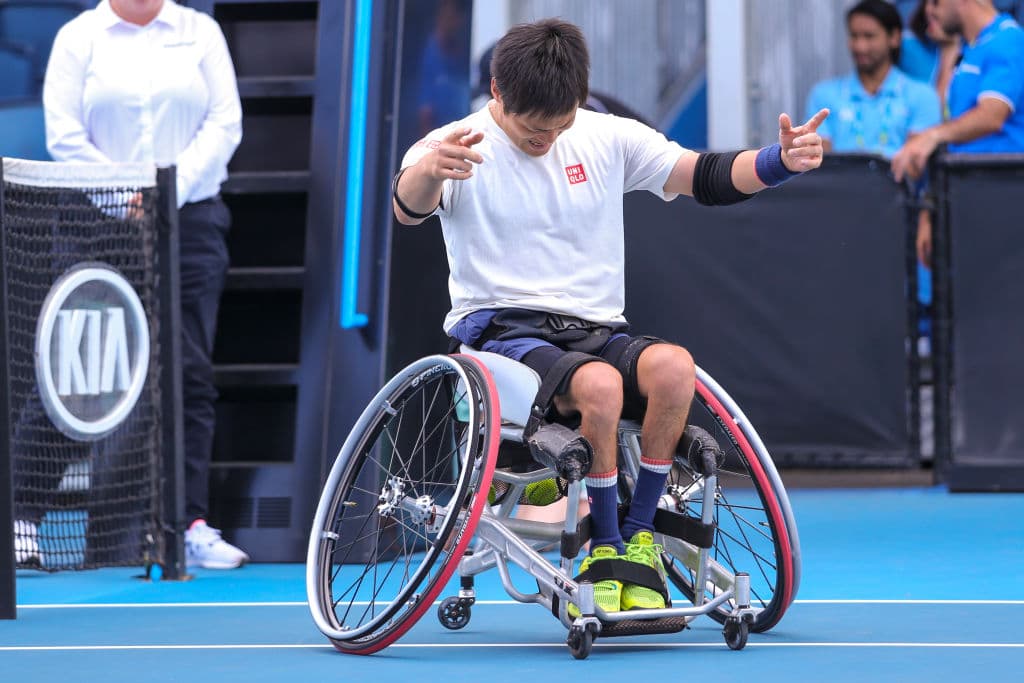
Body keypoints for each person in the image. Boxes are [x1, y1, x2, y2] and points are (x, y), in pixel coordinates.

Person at [393, 18, 827, 615]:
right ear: (496, 91)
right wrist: (425, 174)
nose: (545, 136)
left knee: (675, 368)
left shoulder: (608, 136)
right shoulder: (451, 145)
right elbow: (408, 210)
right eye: (530, 128)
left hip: (594, 329)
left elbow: (703, 177)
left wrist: (779, 161)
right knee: (600, 387)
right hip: (500, 334)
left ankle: (639, 536)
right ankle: (605, 539)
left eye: (559, 122)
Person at [41, 0, 248, 569]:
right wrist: (125, 193)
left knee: (190, 371)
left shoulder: (199, 32)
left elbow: (224, 124)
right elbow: (64, 135)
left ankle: (189, 524)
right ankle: (24, 517)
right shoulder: (77, 38)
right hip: (95, 226)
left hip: (192, 223)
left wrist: (164, 194)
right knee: (76, 371)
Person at [893, 0, 1024, 266]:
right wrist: (930, 212)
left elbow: (991, 116)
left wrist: (929, 137)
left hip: (1005, 205)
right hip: (968, 203)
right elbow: (955, 135)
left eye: (935, 1)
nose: (929, 10)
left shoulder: (1010, 40)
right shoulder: (969, 50)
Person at [806, 0, 942, 158]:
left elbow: (915, 167)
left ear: (895, 38)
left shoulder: (923, 96)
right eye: (854, 36)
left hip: (896, 183)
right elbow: (820, 165)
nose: (860, 46)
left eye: (869, 36)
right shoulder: (823, 94)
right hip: (838, 183)